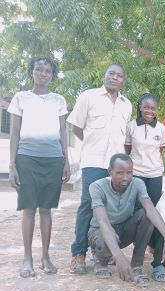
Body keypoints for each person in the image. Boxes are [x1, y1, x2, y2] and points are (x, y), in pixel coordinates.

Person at [8, 57, 70, 277]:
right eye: (39, 70)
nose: (43, 74)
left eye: (48, 71)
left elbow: (63, 132)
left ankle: (45, 256)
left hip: (53, 160)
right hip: (26, 159)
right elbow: (15, 133)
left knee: (46, 209)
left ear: (52, 75)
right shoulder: (20, 98)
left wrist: (66, 161)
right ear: (31, 72)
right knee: (29, 209)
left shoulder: (59, 100)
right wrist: (12, 164)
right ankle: (27, 258)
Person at [67, 64, 132, 274]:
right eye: (111, 74)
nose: (115, 77)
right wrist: (90, 144)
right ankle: (78, 254)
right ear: (104, 76)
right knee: (88, 206)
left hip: (115, 167)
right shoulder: (89, 97)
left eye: (119, 75)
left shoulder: (126, 104)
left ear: (123, 80)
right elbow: (76, 126)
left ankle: (102, 251)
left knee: (111, 207)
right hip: (93, 161)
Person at [87, 153, 165, 286]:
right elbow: (103, 222)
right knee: (106, 238)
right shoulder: (97, 187)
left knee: (146, 215)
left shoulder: (137, 183)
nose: (125, 178)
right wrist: (118, 257)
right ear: (110, 171)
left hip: (123, 230)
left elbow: (151, 209)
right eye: (120, 173)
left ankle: (136, 266)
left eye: (129, 173)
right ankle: (100, 260)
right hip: (100, 232)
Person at [124, 93, 165, 206]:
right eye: (146, 107)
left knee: (154, 205)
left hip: (155, 174)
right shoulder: (131, 126)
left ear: (156, 110)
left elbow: (161, 149)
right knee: (136, 206)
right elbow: (127, 148)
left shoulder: (161, 128)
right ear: (140, 107)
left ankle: (151, 225)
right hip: (136, 173)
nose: (149, 111)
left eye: (153, 108)